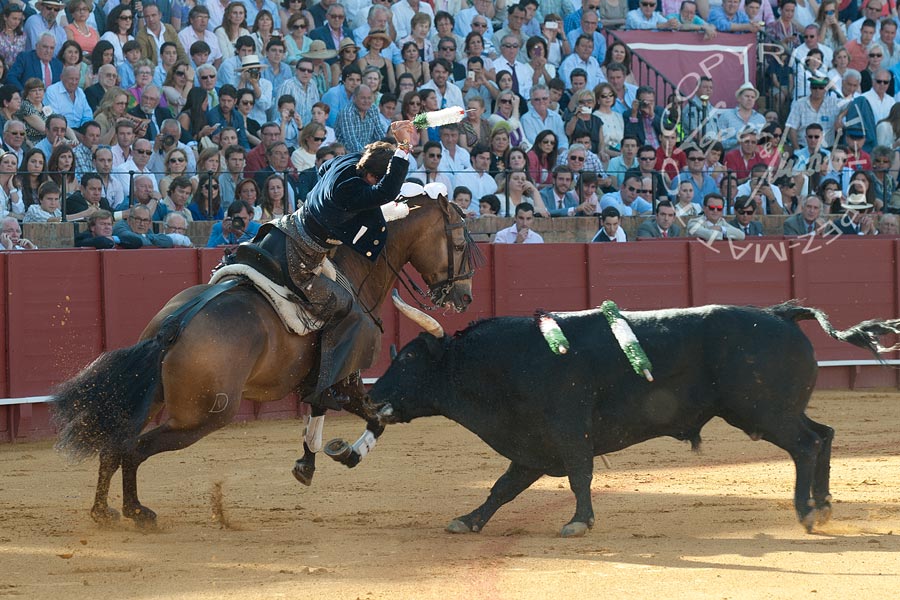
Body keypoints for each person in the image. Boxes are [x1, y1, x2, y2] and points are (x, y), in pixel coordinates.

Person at [247, 120, 415, 408]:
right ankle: (324, 385)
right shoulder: (354, 190)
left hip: (280, 232)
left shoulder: (344, 162)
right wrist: (404, 147)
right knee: (347, 309)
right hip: (300, 256)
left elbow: (331, 171)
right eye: (379, 180)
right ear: (373, 177)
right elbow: (384, 194)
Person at [74, 209, 142, 248]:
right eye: (102, 224)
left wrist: (115, 239)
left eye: (109, 224)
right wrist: (112, 240)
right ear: (92, 227)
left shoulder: (114, 237)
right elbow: (102, 242)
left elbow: (138, 242)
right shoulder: (83, 237)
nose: (107, 227)